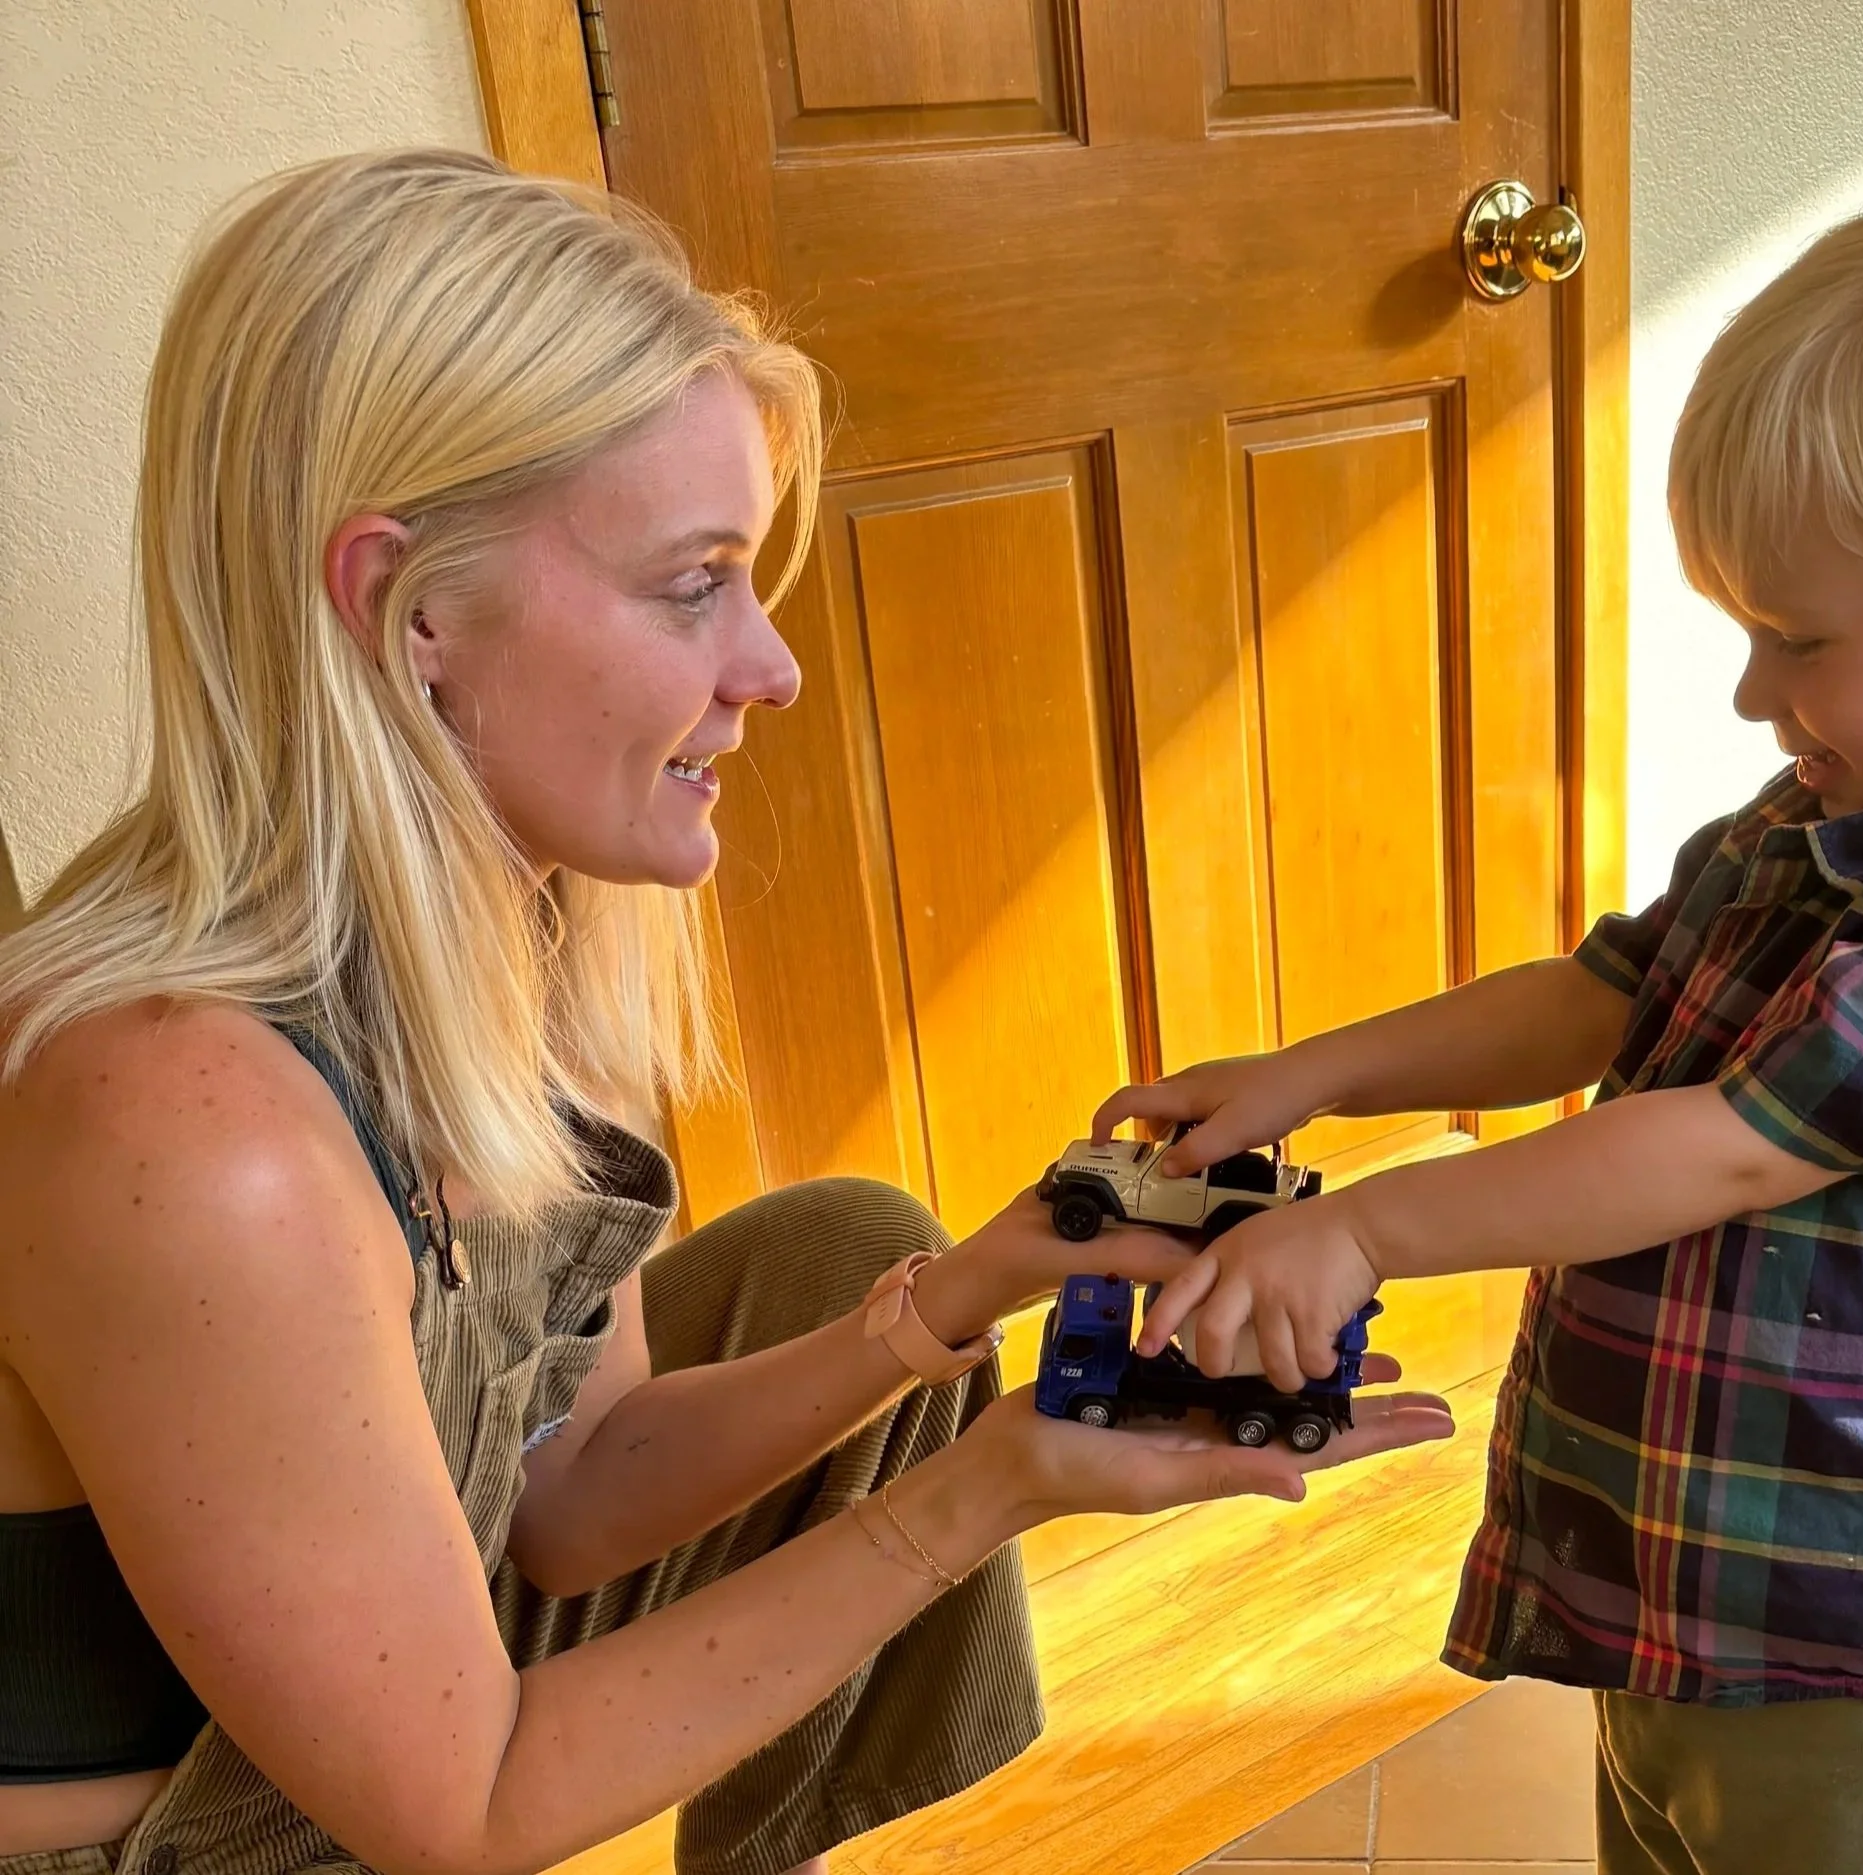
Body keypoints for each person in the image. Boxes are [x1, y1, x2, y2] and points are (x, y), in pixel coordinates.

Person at [0, 149, 1453, 1875]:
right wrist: (987, 1482)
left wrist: (969, 1291)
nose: (768, 667)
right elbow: (458, 1809)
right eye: (694, 583)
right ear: (409, 614)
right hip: (213, 1849)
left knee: (856, 1245)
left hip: (360, 1759)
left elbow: (570, 1492)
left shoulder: (476, 944)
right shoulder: (185, 1128)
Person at [1095, 183, 1863, 1875]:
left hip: (1844, 1650)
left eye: (1796, 639)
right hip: (1682, 1578)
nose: (1750, 695)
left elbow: (1717, 1140)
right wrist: (1315, 1074)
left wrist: (1370, 1226)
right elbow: (1596, 993)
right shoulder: (1820, 817)